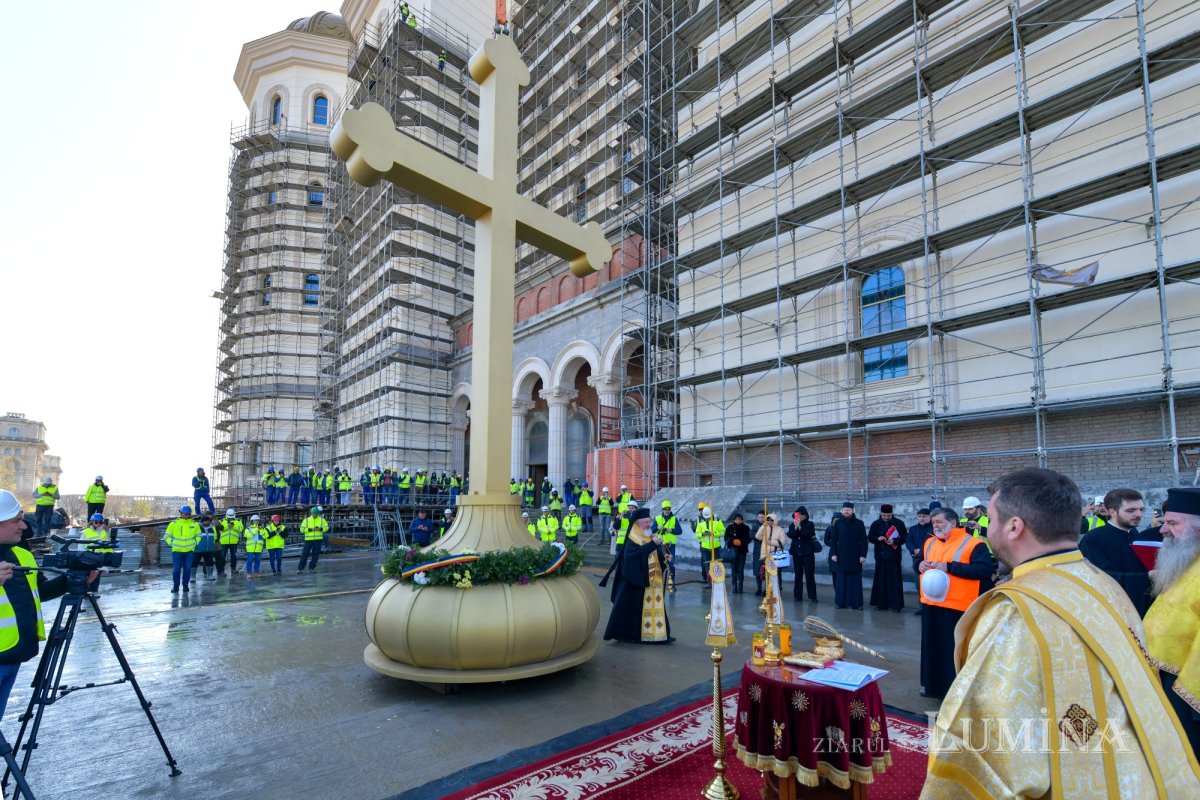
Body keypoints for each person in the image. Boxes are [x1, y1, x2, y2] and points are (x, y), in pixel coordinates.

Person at [921, 469, 1200, 797]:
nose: (987, 530)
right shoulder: (1106, 584)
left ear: (1014, 526)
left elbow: (985, 742)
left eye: (993, 518)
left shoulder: (1015, 610)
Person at [0, 490, 79, 717]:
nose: (24, 526)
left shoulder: (23, 555)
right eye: (16, 521)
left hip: (13, 655)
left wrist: (68, 581)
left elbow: (39, 592)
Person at [1144, 486, 1200, 758]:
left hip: (1189, 688)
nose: (1163, 530)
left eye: (1172, 523)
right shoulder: (1187, 559)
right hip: (1165, 678)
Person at [918, 506, 996, 699]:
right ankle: (932, 687)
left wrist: (950, 567)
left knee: (951, 652)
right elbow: (919, 561)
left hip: (957, 606)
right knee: (931, 649)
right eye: (933, 522)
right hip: (931, 604)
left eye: (939, 522)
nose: (935, 526)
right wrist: (918, 565)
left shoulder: (973, 544)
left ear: (953, 523)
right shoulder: (929, 542)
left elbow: (984, 570)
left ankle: (954, 692)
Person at [1080, 487, 1158, 616]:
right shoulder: (1094, 539)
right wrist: (1147, 577)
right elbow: (1100, 579)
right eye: (1131, 510)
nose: (1138, 514)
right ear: (1112, 512)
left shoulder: (1133, 533)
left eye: (1141, 509)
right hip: (1115, 613)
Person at [602, 507, 673, 644]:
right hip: (632, 582)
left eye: (649, 521)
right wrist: (653, 545)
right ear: (638, 524)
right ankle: (631, 636)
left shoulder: (648, 535)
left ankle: (657, 635)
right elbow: (633, 558)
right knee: (631, 613)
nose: (649, 525)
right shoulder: (632, 539)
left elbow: (653, 559)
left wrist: (664, 560)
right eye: (646, 522)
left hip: (647, 581)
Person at [828, 501, 868, 609]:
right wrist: (834, 554)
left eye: (848, 510)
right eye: (844, 510)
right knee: (841, 582)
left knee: (855, 582)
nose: (846, 511)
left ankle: (857, 604)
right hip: (841, 557)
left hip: (855, 557)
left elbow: (864, 541)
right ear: (842, 510)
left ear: (853, 511)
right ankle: (840, 603)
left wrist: (862, 555)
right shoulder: (838, 523)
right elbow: (833, 541)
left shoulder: (859, 523)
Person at [868, 504, 907, 612]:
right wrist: (877, 538)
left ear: (892, 514)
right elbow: (870, 537)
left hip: (894, 557)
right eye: (884, 515)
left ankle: (895, 605)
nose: (886, 517)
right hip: (880, 557)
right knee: (880, 581)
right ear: (881, 514)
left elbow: (904, 537)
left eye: (888, 515)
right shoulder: (876, 524)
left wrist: (895, 541)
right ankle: (881, 604)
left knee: (894, 581)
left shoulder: (899, 523)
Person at [165, 505, 201, 593]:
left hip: (189, 551)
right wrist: (171, 543)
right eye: (185, 514)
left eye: (188, 514)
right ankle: (176, 586)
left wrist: (195, 543)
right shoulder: (173, 524)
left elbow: (199, 536)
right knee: (176, 569)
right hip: (177, 551)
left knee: (188, 569)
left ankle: (185, 586)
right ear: (180, 513)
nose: (187, 515)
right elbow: (167, 536)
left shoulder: (194, 524)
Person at [786, 506, 819, 602]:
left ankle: (812, 596)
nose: (799, 517)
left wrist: (799, 527)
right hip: (797, 553)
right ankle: (797, 596)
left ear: (805, 515)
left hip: (808, 553)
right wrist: (796, 527)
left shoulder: (810, 524)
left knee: (809, 575)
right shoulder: (793, 524)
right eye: (797, 515)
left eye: (801, 515)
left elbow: (808, 534)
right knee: (798, 575)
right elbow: (791, 535)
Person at [907, 508, 933, 615]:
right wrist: (913, 549)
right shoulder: (913, 529)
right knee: (919, 585)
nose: (922, 518)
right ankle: (922, 606)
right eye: (920, 516)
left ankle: (931, 607)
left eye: (924, 516)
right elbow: (909, 541)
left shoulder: (933, 528)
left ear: (929, 517)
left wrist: (922, 550)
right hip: (918, 561)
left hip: (931, 560)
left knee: (931, 584)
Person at [755, 513, 787, 597]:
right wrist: (763, 527)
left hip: (775, 555)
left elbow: (783, 542)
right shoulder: (765, 528)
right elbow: (758, 537)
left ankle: (778, 589)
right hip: (765, 554)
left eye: (771, 520)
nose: (769, 521)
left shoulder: (780, 529)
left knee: (777, 573)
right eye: (768, 519)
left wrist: (771, 542)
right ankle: (767, 590)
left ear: (775, 520)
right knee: (766, 573)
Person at [79, 513, 111, 592]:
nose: (98, 524)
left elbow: (108, 542)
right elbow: (81, 547)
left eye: (100, 522)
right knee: (89, 575)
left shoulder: (104, 532)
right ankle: (86, 590)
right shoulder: (85, 532)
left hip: (100, 558)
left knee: (96, 575)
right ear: (91, 522)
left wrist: (107, 531)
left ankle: (93, 591)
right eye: (96, 522)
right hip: (89, 558)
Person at [694, 507, 724, 586]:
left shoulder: (717, 521)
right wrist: (703, 534)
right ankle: (709, 582)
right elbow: (697, 535)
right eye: (706, 517)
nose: (707, 519)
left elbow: (723, 532)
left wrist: (714, 534)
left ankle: (718, 581)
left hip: (716, 547)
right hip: (705, 548)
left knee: (717, 564)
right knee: (707, 565)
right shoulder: (700, 523)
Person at [652, 500, 679, 584]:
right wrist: (657, 527)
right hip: (661, 545)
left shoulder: (674, 519)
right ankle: (658, 582)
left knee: (671, 564)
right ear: (662, 510)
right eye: (665, 509)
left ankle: (672, 582)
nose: (667, 510)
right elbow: (652, 530)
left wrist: (670, 530)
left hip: (671, 545)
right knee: (660, 563)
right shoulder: (658, 518)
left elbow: (679, 531)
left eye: (668, 509)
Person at [724, 512, 751, 594]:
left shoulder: (746, 528)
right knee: (734, 570)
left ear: (742, 520)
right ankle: (734, 586)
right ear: (734, 520)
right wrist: (732, 541)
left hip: (742, 551)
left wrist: (741, 541)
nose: (738, 521)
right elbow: (726, 538)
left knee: (740, 569)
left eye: (740, 519)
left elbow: (749, 538)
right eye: (736, 519)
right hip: (732, 551)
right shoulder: (730, 528)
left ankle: (740, 587)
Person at [298, 507, 328, 572]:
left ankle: (312, 568)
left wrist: (320, 529)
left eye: (316, 513)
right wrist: (310, 529)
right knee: (304, 554)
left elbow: (326, 527)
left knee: (316, 555)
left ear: (318, 513)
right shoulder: (306, 520)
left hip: (318, 540)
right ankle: (300, 569)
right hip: (308, 540)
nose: (315, 514)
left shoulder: (322, 520)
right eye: (314, 513)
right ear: (311, 513)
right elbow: (301, 529)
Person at [216, 509, 244, 576]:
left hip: (234, 541)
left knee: (233, 556)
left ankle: (233, 568)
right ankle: (221, 570)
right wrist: (227, 527)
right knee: (222, 556)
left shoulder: (238, 521)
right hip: (223, 542)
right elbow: (219, 530)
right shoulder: (221, 521)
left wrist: (233, 527)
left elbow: (241, 529)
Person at [192, 514, 218, 581]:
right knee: (194, 563)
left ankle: (210, 576)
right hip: (198, 549)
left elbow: (214, 537)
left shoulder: (212, 528)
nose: (206, 522)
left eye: (207, 521)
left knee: (210, 563)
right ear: (201, 521)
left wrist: (212, 545)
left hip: (209, 549)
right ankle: (192, 577)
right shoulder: (197, 527)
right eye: (204, 521)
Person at [751, 510, 767, 595]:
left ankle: (766, 589)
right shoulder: (755, 526)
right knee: (758, 571)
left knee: (766, 571)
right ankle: (759, 588)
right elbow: (753, 536)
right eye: (759, 517)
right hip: (757, 551)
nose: (761, 519)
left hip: (767, 551)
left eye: (762, 517)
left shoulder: (769, 525)